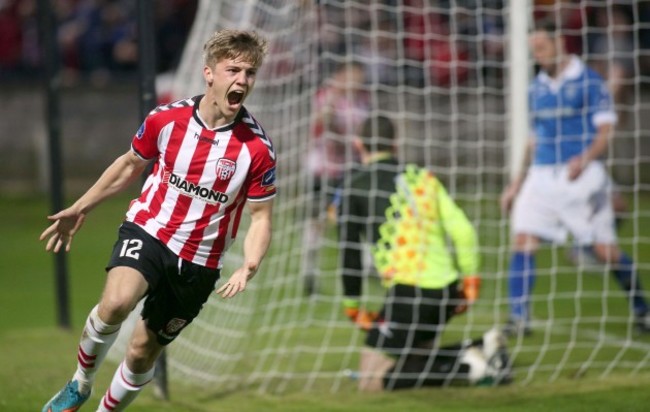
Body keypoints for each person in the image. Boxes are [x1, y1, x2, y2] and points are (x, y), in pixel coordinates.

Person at [39, 29, 276, 411]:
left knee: (141, 351)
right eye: (233, 70)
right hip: (151, 229)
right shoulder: (167, 119)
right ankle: (79, 384)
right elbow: (129, 165)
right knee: (116, 303)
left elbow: (261, 216)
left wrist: (250, 264)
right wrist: (81, 206)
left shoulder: (257, 149)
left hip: (200, 261)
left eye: (250, 73)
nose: (242, 81)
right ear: (209, 73)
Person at [337, 115, 510, 392]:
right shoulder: (422, 177)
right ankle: (481, 347)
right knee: (414, 358)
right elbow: (464, 230)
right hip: (446, 289)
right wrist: (471, 281)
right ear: (395, 144)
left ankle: (467, 366)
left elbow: (349, 251)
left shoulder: (353, 186)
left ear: (359, 145)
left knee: (370, 380)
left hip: (410, 292)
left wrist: (352, 305)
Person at [500, 20, 650, 336]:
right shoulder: (536, 88)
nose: (538, 55)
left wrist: (585, 158)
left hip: (579, 177)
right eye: (533, 50)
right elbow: (532, 140)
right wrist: (516, 183)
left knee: (604, 251)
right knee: (523, 240)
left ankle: (642, 310)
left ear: (560, 42)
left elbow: (606, 130)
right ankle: (519, 318)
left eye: (542, 47)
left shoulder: (589, 82)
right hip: (541, 175)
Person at [302, 60, 369, 295]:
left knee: (358, 219)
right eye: (352, 76)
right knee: (318, 222)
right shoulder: (326, 97)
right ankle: (309, 273)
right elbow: (322, 123)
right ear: (340, 75)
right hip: (324, 170)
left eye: (359, 77)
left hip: (351, 168)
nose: (356, 81)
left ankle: (369, 268)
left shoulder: (361, 101)